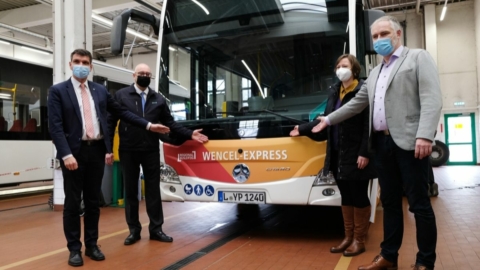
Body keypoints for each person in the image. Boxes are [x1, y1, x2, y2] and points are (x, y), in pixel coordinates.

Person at [311, 16, 442, 270]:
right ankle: (389, 257)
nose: (379, 39)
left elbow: (432, 97)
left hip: (410, 144)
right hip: (381, 147)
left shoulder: (417, 58)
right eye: (375, 36)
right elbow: (355, 105)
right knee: (391, 203)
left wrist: (425, 135)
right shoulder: (374, 73)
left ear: (398, 34)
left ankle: (425, 262)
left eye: (384, 33)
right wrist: (328, 119)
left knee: (419, 205)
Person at [48, 49, 169, 267]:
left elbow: (123, 113)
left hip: (96, 151)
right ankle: (74, 249)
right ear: (70, 64)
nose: (81, 65)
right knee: (73, 204)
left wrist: (149, 125)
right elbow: (55, 127)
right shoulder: (58, 91)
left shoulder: (100, 91)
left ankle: (92, 245)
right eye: (77, 61)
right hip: (73, 154)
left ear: (91, 66)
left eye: (85, 62)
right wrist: (65, 154)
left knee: (93, 202)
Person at [107, 63, 208, 246]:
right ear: (134, 76)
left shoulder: (158, 99)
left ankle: (156, 229)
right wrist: (107, 148)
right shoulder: (121, 96)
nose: (144, 76)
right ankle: (133, 231)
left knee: (153, 191)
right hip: (128, 150)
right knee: (130, 191)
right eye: (141, 73)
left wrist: (189, 133)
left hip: (151, 150)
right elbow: (110, 122)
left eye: (147, 74)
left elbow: (171, 124)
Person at [290, 54, 377, 257]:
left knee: (359, 196)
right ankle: (347, 237)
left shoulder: (362, 90)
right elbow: (325, 120)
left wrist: (365, 152)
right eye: (337, 65)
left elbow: (369, 125)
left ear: (354, 69)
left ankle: (359, 240)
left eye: (344, 65)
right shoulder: (334, 92)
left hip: (356, 153)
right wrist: (302, 128)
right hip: (337, 152)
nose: (340, 69)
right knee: (345, 196)